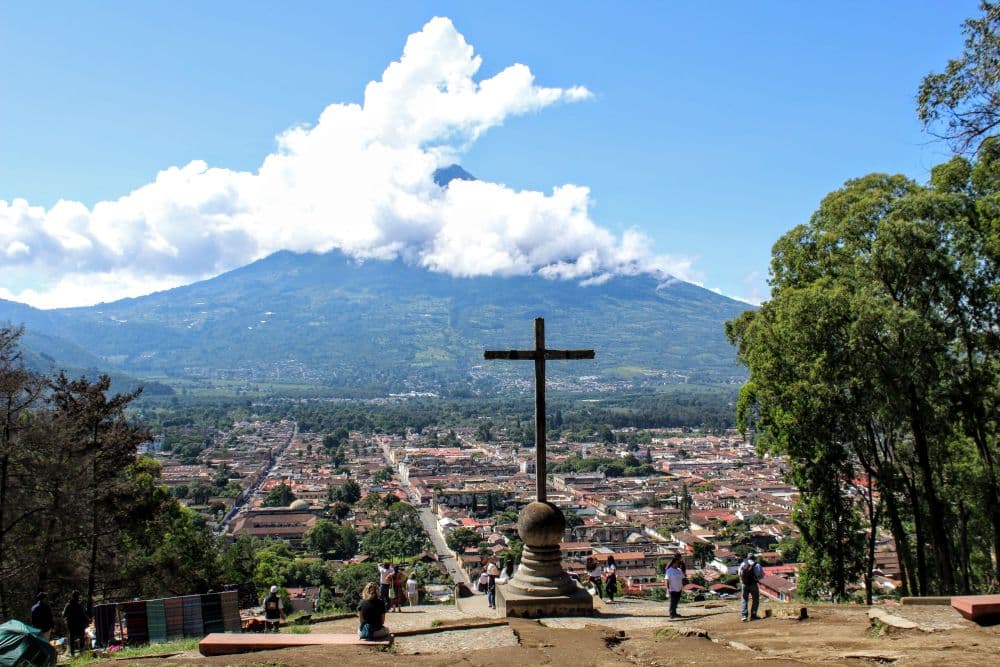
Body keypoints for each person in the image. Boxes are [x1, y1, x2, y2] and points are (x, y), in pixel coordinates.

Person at [63, 590, 90, 656]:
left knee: (72, 638)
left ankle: (72, 653)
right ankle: (82, 652)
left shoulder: (68, 605)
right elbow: (83, 614)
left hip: (71, 624)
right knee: (81, 637)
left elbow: (64, 615)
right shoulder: (79, 605)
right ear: (77, 596)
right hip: (80, 624)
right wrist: (87, 620)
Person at [738, 554, 764, 621]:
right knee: (755, 599)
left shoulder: (743, 564)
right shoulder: (757, 565)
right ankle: (753, 615)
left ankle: (744, 616)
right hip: (753, 584)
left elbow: (739, 574)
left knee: (744, 599)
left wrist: (742, 581)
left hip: (744, 584)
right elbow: (761, 576)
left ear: (747, 558)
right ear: (754, 558)